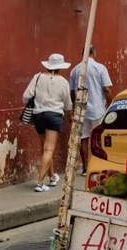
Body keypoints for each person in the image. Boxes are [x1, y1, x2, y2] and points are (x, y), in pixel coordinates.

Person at [22, 53, 72, 192]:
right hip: (54, 115)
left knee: (44, 148)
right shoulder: (63, 82)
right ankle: (40, 182)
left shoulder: (37, 77)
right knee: (49, 149)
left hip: (38, 115)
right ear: (61, 67)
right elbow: (68, 104)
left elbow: (26, 96)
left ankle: (51, 176)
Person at [69, 46, 113, 175]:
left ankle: (85, 168)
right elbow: (107, 90)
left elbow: (72, 92)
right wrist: (111, 106)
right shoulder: (100, 68)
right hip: (97, 109)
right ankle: (99, 166)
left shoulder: (75, 70)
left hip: (81, 109)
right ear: (94, 53)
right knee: (99, 138)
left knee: (84, 138)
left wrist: (74, 106)